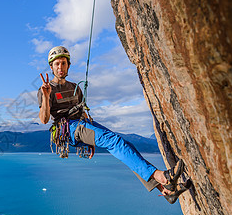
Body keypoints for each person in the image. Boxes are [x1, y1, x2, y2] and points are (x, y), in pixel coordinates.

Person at [38, 46, 191, 204]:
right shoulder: (46, 89)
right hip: (67, 127)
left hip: (82, 123)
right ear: (51, 67)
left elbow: (82, 112)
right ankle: (161, 176)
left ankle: (166, 191)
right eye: (56, 64)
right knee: (115, 142)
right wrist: (46, 96)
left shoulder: (75, 88)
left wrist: (90, 141)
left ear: (68, 65)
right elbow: (44, 119)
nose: (60, 67)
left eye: (63, 63)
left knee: (124, 145)